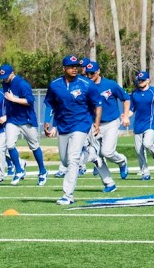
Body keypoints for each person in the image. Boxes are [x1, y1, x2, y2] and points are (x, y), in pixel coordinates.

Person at [44, 55, 99, 205]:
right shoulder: (55, 85)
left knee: (73, 159)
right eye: (71, 66)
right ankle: (91, 154)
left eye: (76, 66)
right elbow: (50, 104)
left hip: (81, 124)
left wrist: (96, 123)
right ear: (64, 68)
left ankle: (68, 195)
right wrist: (47, 121)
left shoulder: (86, 84)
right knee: (65, 160)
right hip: (63, 125)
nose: (74, 68)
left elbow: (97, 104)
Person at [0, 64, 48, 187]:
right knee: (9, 145)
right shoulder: (5, 83)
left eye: (6, 76)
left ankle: (42, 171)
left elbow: (30, 101)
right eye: (2, 77)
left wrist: (14, 99)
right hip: (12, 119)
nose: (4, 79)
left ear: (12, 73)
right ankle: (19, 170)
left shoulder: (22, 84)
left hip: (26, 119)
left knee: (34, 146)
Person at [85, 60, 130, 190]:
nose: (89, 76)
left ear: (98, 71)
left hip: (111, 122)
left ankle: (122, 161)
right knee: (96, 155)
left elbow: (126, 98)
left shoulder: (110, 84)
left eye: (92, 73)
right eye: (87, 73)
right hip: (94, 124)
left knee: (107, 152)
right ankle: (109, 183)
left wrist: (126, 115)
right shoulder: (85, 86)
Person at [129, 71, 154, 180]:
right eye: (139, 80)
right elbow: (132, 109)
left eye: (142, 80)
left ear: (148, 80)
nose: (140, 82)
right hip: (138, 124)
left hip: (150, 123)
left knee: (147, 144)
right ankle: (145, 173)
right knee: (139, 151)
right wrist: (125, 116)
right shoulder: (134, 94)